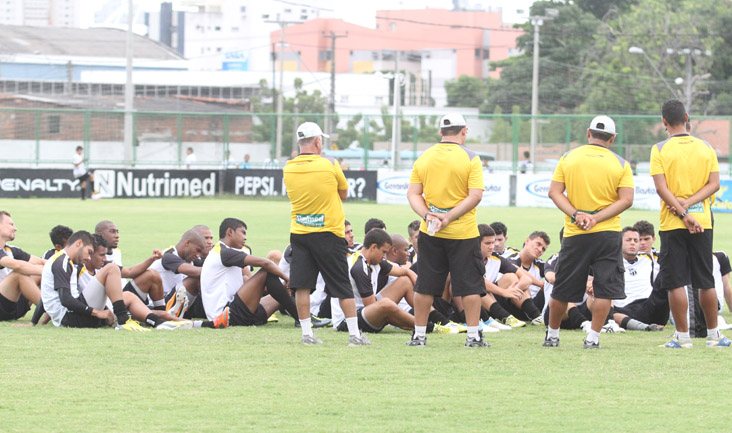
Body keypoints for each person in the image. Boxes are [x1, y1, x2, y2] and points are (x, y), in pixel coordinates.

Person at [545, 115, 634, 349]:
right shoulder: (621, 164)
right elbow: (626, 200)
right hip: (607, 233)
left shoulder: (568, 158)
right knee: (605, 289)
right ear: (612, 139)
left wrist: (577, 215)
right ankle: (593, 339)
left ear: (588, 133)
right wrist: (596, 218)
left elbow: (554, 192)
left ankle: (552, 336)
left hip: (575, 233)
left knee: (562, 288)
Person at [406, 112, 489, 348]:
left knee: (425, 285)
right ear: (464, 131)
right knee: (471, 286)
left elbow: (413, 194)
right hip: (463, 233)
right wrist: (449, 217)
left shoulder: (424, 157)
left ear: (441, 132)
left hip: (430, 232)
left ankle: (419, 335)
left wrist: (428, 215)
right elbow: (475, 195)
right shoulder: (471, 158)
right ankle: (473, 336)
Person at [283, 121, 369, 345]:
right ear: (318, 141)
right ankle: (354, 335)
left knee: (302, 285)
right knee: (341, 284)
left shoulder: (288, 167)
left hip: (300, 232)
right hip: (329, 232)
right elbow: (344, 193)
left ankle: (307, 334)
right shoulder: (330, 163)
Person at [650, 99, 727, 348]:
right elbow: (714, 185)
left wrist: (682, 212)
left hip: (673, 223)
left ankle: (683, 338)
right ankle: (714, 335)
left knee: (675, 281)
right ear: (686, 117)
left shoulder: (659, 149)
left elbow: (661, 189)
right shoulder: (706, 147)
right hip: (703, 222)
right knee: (705, 279)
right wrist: (691, 207)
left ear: (664, 121)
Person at [200, 218, 298, 327]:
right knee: (266, 271)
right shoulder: (223, 252)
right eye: (243, 233)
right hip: (226, 316)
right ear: (230, 232)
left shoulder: (226, 252)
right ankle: (301, 318)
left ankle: (303, 315)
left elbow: (249, 281)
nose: (245, 238)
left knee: (281, 292)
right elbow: (266, 263)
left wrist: (283, 286)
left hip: (239, 312)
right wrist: (288, 279)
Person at [40, 230, 146, 330]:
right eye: (89, 252)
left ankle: (151, 321)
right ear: (79, 243)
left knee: (126, 296)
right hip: (70, 317)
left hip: (71, 315)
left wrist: (34, 322)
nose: (89, 258)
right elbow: (65, 299)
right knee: (112, 268)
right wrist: (96, 312)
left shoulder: (63, 260)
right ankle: (123, 320)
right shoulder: (61, 262)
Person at [0, 211, 44, 322]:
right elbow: (17, 266)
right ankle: (55, 312)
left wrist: (66, 267)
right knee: (19, 274)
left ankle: (61, 308)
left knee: (38, 269)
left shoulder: (10, 249)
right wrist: (46, 272)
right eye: (11, 224)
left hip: (9, 305)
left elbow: (42, 262)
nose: (15, 228)